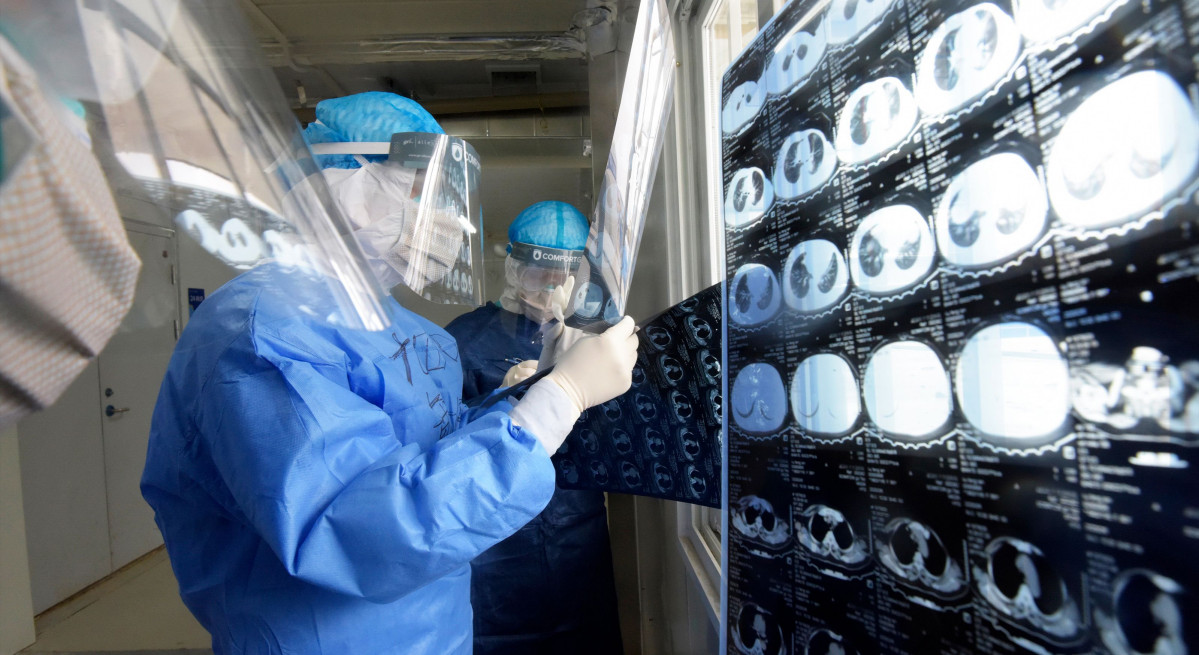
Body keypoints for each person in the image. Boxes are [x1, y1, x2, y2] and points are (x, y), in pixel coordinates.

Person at [140, 89, 641, 654]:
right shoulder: (266, 333)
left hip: (436, 629)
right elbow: (359, 530)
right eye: (422, 191)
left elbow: (426, 449)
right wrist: (561, 398)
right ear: (337, 181)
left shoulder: (402, 329)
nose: (448, 221)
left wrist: (528, 392)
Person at [444, 201, 624, 654]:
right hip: (496, 535)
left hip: (575, 528)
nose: (553, 287)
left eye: (566, 275)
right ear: (513, 267)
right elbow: (442, 439)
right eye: (539, 273)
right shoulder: (464, 338)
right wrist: (497, 401)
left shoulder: (598, 340)